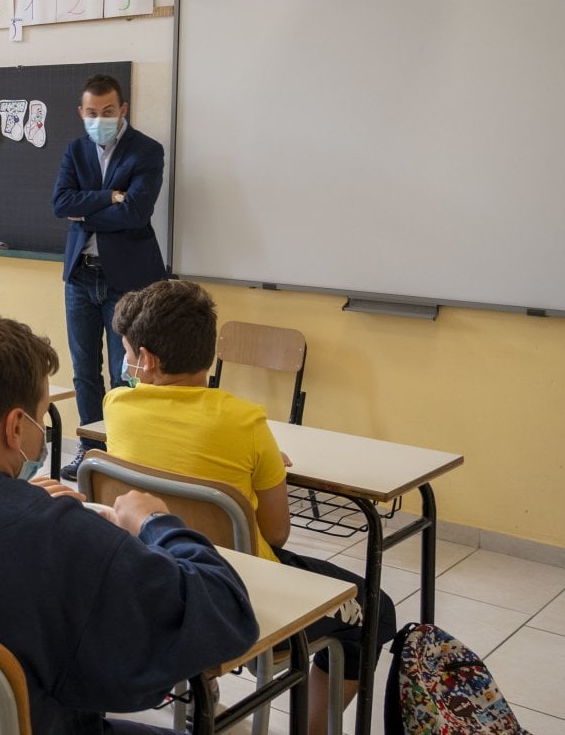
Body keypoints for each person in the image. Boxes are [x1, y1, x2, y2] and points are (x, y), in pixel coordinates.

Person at [0, 317, 257, 735]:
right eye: (40, 416)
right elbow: (227, 614)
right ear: (16, 427)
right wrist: (155, 522)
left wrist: (19, 503)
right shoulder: (60, 536)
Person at [104, 279, 397, 733]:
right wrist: (261, 468)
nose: (124, 362)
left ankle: (194, 682)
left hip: (150, 584)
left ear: (147, 360)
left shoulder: (117, 406)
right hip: (237, 594)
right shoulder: (245, 421)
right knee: (377, 608)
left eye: (127, 351)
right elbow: (276, 534)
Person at [50, 74, 167, 480]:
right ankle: (90, 448)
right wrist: (110, 196)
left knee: (127, 371)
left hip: (128, 280)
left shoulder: (147, 151)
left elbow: (136, 213)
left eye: (108, 111)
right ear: (82, 113)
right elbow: (59, 202)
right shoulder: (76, 149)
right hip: (81, 276)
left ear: (124, 110)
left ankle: (125, 449)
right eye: (92, 113)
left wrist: (86, 209)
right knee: (84, 369)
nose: (100, 118)